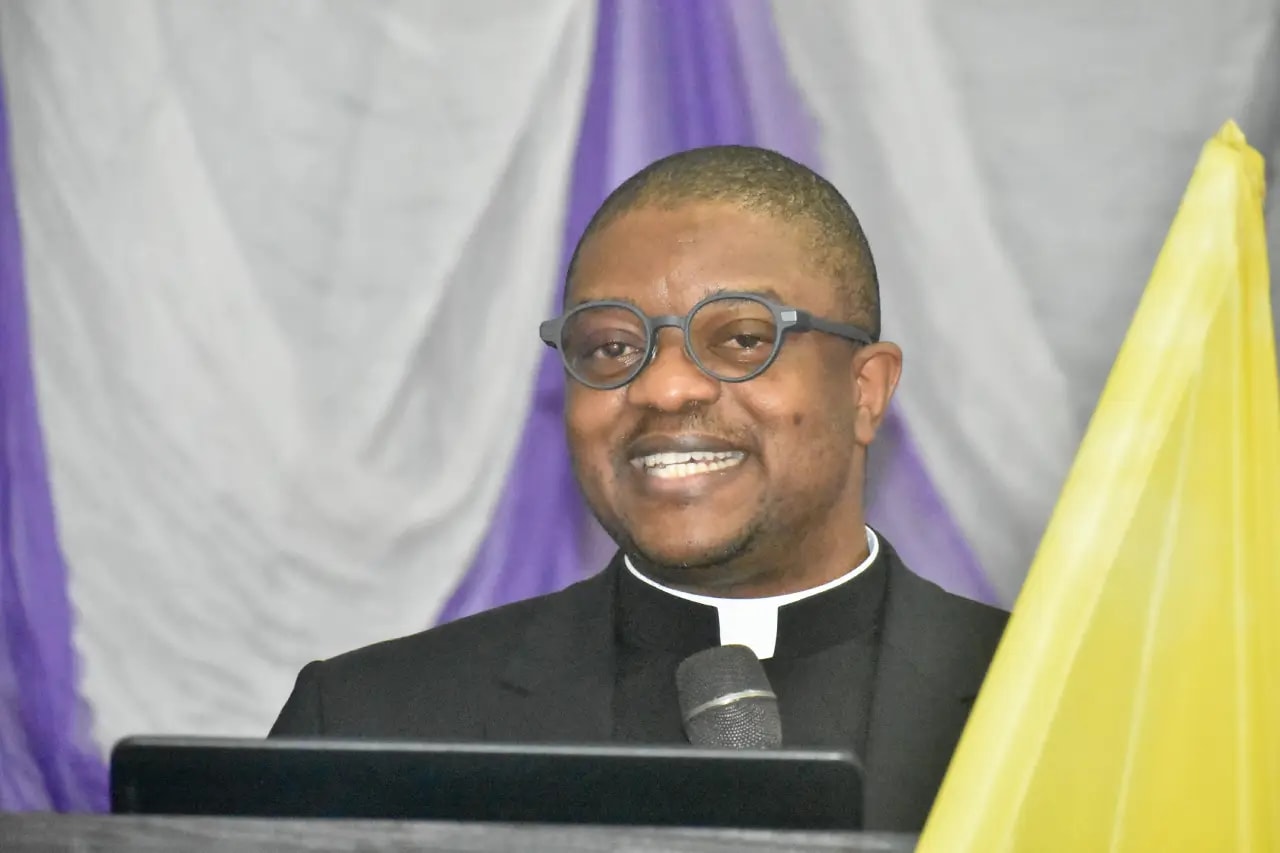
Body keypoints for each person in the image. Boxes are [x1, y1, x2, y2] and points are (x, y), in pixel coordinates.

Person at [270, 145, 1008, 831]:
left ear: (866, 390)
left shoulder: (1050, 705)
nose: (664, 388)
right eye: (612, 347)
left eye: (741, 339)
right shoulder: (369, 726)